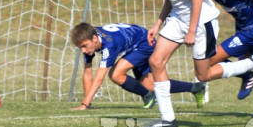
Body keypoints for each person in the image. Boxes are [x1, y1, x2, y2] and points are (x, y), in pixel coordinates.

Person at [69, 22, 206, 110]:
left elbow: (99, 78)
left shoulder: (109, 44)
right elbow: (88, 73)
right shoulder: (90, 42)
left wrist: (84, 105)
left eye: (84, 46)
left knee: (115, 74)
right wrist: (88, 104)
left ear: (94, 39)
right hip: (134, 43)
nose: (83, 50)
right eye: (80, 47)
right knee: (151, 85)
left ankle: (148, 97)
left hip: (144, 43)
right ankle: (195, 88)